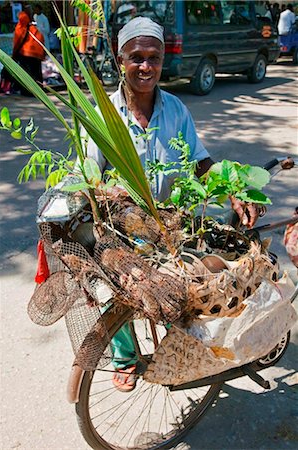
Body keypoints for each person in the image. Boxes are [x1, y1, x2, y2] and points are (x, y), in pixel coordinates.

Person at [84, 17, 260, 391]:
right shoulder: (101, 114)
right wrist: (107, 193)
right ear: (120, 60)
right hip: (120, 227)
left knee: (184, 288)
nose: (145, 66)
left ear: (163, 60)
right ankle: (125, 358)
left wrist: (233, 189)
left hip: (168, 226)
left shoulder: (176, 110)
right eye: (136, 57)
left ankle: (178, 346)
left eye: (154, 58)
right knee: (112, 292)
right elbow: (89, 176)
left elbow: (200, 162)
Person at [12, 10, 45, 96]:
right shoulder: (34, 29)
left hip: (25, 54)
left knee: (26, 73)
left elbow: (17, 42)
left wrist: (13, 54)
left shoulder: (20, 28)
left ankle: (27, 91)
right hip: (37, 55)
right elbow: (41, 39)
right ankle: (39, 91)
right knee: (36, 72)